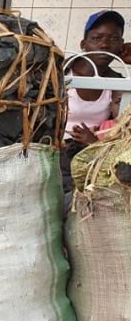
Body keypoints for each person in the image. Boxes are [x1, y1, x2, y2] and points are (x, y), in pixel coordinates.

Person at [62, 10, 125, 193]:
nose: (105, 44)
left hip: (92, 157)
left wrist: (94, 142)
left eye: (114, 39)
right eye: (96, 38)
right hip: (55, 153)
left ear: (121, 46)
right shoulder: (62, 73)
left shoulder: (117, 83)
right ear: (84, 44)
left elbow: (121, 131)